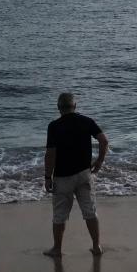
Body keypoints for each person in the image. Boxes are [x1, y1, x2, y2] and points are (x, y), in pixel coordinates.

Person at [43, 92, 109, 257]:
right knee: (90, 212)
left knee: (59, 215)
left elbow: (50, 154)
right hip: (83, 174)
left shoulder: (54, 126)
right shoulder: (86, 121)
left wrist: (47, 177)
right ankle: (96, 246)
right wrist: (99, 161)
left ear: (59, 108)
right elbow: (103, 140)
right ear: (75, 106)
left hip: (62, 177)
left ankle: (57, 249)